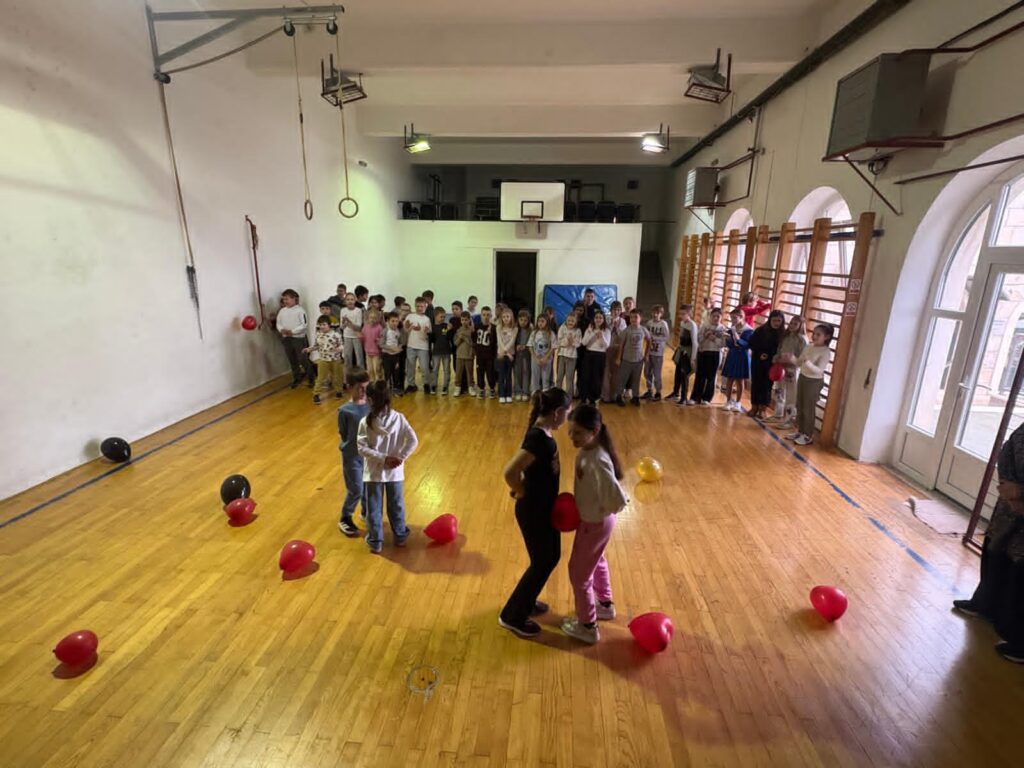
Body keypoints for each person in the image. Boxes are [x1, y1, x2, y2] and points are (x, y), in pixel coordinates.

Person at [499, 387, 572, 638]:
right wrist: (521, 491)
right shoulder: (539, 439)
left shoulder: (543, 433)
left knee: (550, 557)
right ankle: (512, 616)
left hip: (543, 508)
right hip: (534, 511)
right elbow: (510, 471)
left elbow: (529, 470)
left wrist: (524, 486)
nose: (567, 418)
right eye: (567, 413)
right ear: (558, 412)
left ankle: (526, 602)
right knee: (543, 561)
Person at [953, 422, 1024, 664]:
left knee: (1019, 569)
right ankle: (986, 604)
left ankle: (1020, 640)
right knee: (996, 550)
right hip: (1011, 504)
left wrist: (1020, 495)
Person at [561, 404, 629, 644]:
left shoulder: (597, 459)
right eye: (570, 432)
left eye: (578, 433)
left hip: (596, 522)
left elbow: (617, 499)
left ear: (595, 430)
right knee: (596, 560)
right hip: (594, 521)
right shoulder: (588, 451)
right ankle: (605, 604)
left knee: (578, 574)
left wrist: (598, 511)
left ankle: (588, 626)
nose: (572, 437)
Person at [357, 381, 417, 554]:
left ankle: (376, 542)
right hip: (395, 472)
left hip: (373, 473)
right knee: (396, 505)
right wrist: (400, 458)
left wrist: (383, 459)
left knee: (373, 509)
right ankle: (400, 537)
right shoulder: (399, 418)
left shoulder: (365, 422)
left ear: (370, 400)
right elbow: (413, 440)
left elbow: (361, 448)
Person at [785, 323, 833, 445]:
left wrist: (808, 363)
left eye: (818, 334)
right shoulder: (809, 347)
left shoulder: (826, 352)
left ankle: (807, 435)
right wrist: (791, 358)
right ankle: (800, 431)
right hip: (803, 377)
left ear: (826, 337)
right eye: (814, 333)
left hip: (814, 381)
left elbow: (819, 370)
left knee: (808, 409)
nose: (814, 336)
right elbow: (799, 363)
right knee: (800, 405)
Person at [337, 369, 370, 537]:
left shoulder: (370, 405)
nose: (363, 391)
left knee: (368, 487)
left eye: (366, 387)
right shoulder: (344, 411)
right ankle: (345, 517)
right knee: (356, 488)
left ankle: (366, 512)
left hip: (368, 456)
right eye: (359, 388)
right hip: (351, 457)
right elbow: (344, 433)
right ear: (350, 387)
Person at [769, 315, 807, 427]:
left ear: (801, 326)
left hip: (792, 369)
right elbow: (779, 350)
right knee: (779, 391)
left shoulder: (802, 339)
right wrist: (777, 358)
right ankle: (778, 414)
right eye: (791, 323)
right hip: (781, 367)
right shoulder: (785, 336)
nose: (792, 325)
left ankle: (789, 419)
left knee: (791, 395)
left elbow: (802, 357)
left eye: (795, 324)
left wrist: (791, 359)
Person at [748, 310, 785, 419]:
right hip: (758, 361)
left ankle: (763, 409)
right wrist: (760, 353)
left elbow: (781, 349)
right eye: (774, 320)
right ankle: (754, 406)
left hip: (771, 363)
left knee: (767, 386)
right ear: (770, 320)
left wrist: (771, 356)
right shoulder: (761, 330)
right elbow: (751, 344)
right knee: (756, 384)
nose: (776, 323)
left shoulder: (782, 334)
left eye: (779, 321)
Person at [277, 289, 314, 388]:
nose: (285, 301)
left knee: (303, 359)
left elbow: (304, 325)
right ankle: (296, 378)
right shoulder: (282, 311)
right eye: (284, 299)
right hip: (286, 339)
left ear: (293, 299)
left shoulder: (300, 311)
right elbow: (278, 323)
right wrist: (282, 330)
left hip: (298, 339)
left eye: (287, 299)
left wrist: (292, 331)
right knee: (292, 359)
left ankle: (311, 378)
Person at [304, 315, 345, 405]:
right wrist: (309, 349)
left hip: (335, 359)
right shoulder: (319, 335)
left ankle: (339, 391)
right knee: (321, 377)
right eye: (320, 325)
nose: (322, 326)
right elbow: (316, 346)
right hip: (323, 359)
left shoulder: (336, 335)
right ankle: (316, 394)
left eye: (324, 324)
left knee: (337, 376)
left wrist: (339, 349)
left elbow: (342, 345)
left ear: (329, 325)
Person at [691, 307, 727, 405]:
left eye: (718, 316)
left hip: (715, 353)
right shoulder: (704, 326)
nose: (715, 318)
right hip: (703, 352)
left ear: (721, 317)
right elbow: (698, 340)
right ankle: (695, 397)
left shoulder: (722, 329)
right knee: (700, 375)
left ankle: (707, 398)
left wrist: (714, 338)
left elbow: (723, 344)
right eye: (714, 316)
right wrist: (705, 335)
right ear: (710, 316)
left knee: (711, 377)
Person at [614, 309, 650, 407]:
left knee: (636, 379)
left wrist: (646, 354)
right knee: (622, 378)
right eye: (631, 317)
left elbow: (649, 340)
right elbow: (621, 345)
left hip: (638, 360)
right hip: (626, 359)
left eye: (636, 317)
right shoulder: (627, 330)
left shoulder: (643, 330)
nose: (633, 319)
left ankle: (635, 397)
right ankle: (619, 396)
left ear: (640, 318)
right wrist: (618, 358)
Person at [721, 308, 753, 413]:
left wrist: (738, 339)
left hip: (742, 355)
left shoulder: (749, 330)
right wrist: (728, 339)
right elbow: (730, 345)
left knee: (740, 380)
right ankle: (728, 401)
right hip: (732, 354)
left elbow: (747, 345)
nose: (732, 320)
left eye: (734, 318)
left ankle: (738, 402)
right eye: (731, 318)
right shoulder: (732, 329)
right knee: (729, 379)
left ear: (741, 317)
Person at [670, 304, 699, 405]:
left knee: (684, 374)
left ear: (689, 314)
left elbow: (695, 343)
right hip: (682, 350)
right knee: (678, 372)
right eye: (680, 314)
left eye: (683, 314)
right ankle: (675, 393)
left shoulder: (692, 325)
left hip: (689, 352)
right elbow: (681, 338)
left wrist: (693, 358)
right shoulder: (682, 323)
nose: (681, 316)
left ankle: (684, 397)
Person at [581, 310, 610, 406]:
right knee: (586, 376)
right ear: (593, 319)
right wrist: (591, 333)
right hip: (589, 354)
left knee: (596, 378)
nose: (598, 319)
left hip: (600, 355)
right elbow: (584, 343)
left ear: (603, 319)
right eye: (596, 317)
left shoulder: (606, 331)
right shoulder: (589, 329)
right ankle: (584, 397)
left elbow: (606, 346)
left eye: (600, 318)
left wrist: (601, 337)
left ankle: (593, 398)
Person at [404, 297, 432, 394]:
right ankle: (411, 385)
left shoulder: (427, 319)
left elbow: (428, 332)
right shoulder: (410, 316)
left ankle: (426, 384)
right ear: (415, 306)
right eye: (417, 306)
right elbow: (406, 329)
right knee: (410, 367)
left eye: (422, 306)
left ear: (425, 307)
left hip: (423, 347)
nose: (419, 308)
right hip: (411, 346)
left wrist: (425, 331)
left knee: (424, 367)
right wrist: (408, 326)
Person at [642, 304, 670, 401]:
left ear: (661, 314)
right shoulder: (649, 323)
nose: (655, 314)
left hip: (658, 353)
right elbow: (645, 334)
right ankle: (649, 390)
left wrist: (654, 337)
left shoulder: (663, 324)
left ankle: (658, 392)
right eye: (654, 312)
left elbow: (666, 337)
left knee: (657, 374)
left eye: (657, 313)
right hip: (649, 352)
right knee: (647, 372)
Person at [602, 301, 626, 402]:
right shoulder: (606, 319)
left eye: (618, 310)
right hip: (607, 348)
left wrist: (616, 328)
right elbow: (603, 331)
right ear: (610, 310)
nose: (616, 312)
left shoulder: (622, 321)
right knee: (606, 372)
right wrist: (611, 326)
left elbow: (623, 336)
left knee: (616, 373)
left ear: (620, 311)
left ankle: (615, 395)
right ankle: (605, 396)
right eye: (614, 310)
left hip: (617, 349)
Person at [555, 313, 582, 398]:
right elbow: (559, 341)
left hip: (572, 357)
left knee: (569, 378)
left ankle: (569, 396)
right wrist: (567, 341)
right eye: (569, 320)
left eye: (572, 321)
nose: (570, 322)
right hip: (562, 355)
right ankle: (557, 395)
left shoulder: (577, 330)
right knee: (559, 376)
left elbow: (578, 343)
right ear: (566, 320)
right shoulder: (562, 328)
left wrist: (572, 342)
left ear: (576, 322)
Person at [474, 306, 498, 399]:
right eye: (484, 315)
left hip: (490, 356)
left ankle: (492, 388)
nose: (486, 317)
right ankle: (481, 389)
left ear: (491, 316)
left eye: (488, 315)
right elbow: (474, 339)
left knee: (490, 373)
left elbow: (495, 342)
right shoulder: (476, 327)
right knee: (480, 373)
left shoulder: (494, 328)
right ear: (481, 315)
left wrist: (490, 333)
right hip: (480, 355)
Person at [528, 314, 555, 394]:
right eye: (539, 321)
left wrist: (545, 357)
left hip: (546, 359)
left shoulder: (551, 333)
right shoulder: (534, 333)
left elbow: (553, 347)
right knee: (535, 376)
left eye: (542, 321)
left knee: (546, 376)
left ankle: (545, 391)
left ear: (547, 322)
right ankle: (535, 391)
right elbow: (530, 346)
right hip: (535, 358)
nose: (540, 323)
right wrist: (535, 358)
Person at [496, 308, 518, 404]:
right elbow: (499, 341)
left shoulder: (515, 329)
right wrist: (504, 352)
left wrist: (507, 352)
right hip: (501, 354)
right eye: (504, 317)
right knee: (501, 375)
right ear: (501, 318)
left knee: (508, 376)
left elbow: (512, 341)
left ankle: (508, 394)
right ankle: (501, 394)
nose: (505, 318)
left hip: (510, 354)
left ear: (511, 317)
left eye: (507, 316)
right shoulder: (498, 327)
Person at [339, 292, 365, 370]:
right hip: (346, 336)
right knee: (347, 357)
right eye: (348, 299)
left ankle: (361, 374)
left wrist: (349, 322)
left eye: (352, 299)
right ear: (345, 301)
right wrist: (344, 322)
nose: (350, 301)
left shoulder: (358, 310)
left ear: (355, 300)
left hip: (356, 336)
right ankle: (348, 375)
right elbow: (342, 327)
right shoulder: (343, 310)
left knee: (359, 357)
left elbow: (359, 327)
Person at [430, 306, 453, 396]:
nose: (443, 318)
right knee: (435, 369)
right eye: (441, 317)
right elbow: (432, 340)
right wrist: (429, 333)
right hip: (436, 352)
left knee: (447, 370)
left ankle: (445, 386)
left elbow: (448, 338)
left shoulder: (446, 326)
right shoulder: (432, 327)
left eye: (444, 317)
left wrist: (449, 330)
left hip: (446, 351)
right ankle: (434, 385)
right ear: (435, 316)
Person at [380, 312, 405, 394]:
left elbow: (400, 342)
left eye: (397, 321)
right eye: (392, 321)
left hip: (395, 356)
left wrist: (399, 348)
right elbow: (381, 344)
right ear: (388, 321)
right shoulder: (385, 331)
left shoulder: (398, 331)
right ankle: (387, 388)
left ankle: (395, 388)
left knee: (396, 372)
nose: (395, 323)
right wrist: (391, 348)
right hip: (386, 355)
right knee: (387, 372)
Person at [453, 313, 476, 397]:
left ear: (469, 320)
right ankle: (457, 387)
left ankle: (471, 387)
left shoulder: (472, 330)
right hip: (459, 355)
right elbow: (455, 343)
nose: (464, 322)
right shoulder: (458, 330)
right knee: (458, 373)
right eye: (462, 320)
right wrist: (460, 338)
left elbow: (473, 344)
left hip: (469, 355)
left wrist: (465, 338)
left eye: (466, 320)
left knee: (470, 373)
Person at [513, 310, 533, 402]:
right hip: (517, 354)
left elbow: (532, 342)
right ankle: (518, 391)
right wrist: (516, 346)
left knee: (526, 372)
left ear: (528, 321)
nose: (523, 322)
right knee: (517, 372)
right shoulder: (515, 329)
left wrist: (526, 346)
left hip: (527, 354)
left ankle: (525, 392)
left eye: (525, 320)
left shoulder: (531, 329)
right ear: (518, 319)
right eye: (521, 320)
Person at [361, 309, 384, 383]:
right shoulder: (365, 327)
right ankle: (371, 383)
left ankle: (377, 383)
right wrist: (360, 337)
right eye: (371, 317)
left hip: (376, 352)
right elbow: (363, 338)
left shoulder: (379, 327)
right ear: (368, 318)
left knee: (377, 369)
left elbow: (382, 339)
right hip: (368, 352)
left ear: (377, 319)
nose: (372, 319)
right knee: (370, 369)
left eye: (374, 318)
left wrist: (379, 340)